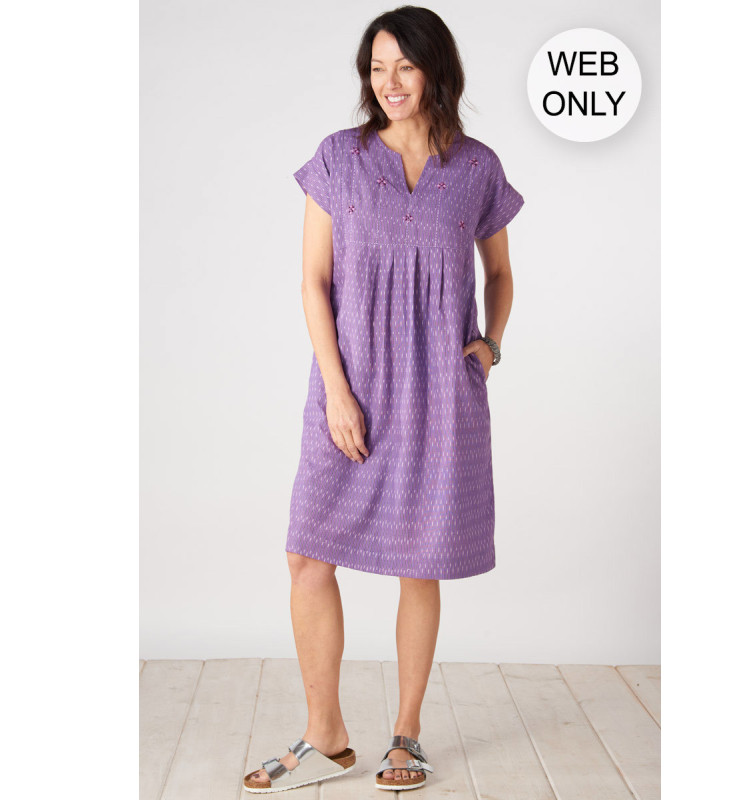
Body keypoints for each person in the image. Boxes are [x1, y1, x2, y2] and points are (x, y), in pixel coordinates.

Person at [243, 5, 524, 794]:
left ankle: (407, 734)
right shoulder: (339, 157)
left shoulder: (477, 168)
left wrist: (490, 344)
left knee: (419, 563)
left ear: (436, 70)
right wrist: (337, 392)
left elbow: (500, 273)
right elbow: (313, 281)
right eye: (376, 67)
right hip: (351, 387)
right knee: (306, 555)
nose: (389, 82)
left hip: (441, 395)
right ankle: (325, 734)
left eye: (404, 66)